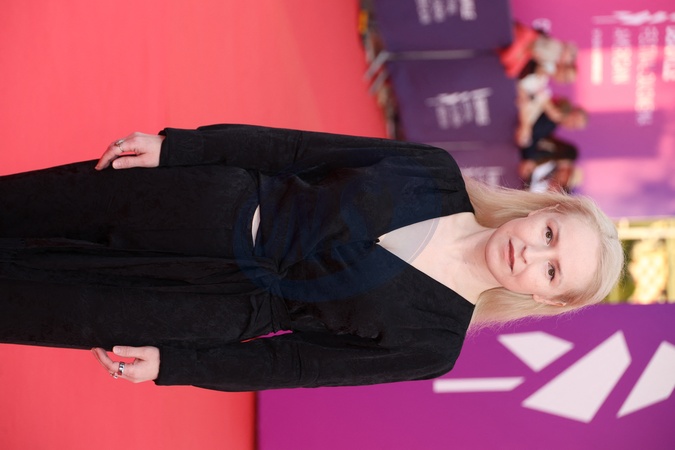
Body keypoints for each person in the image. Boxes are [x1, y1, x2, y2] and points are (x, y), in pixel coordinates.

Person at [0, 124, 623, 391]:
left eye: (551, 270)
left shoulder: (434, 347)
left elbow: (292, 363)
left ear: (542, 297)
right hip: (199, 201)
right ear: (539, 210)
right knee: (27, 207)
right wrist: (182, 149)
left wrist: (176, 366)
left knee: (32, 304)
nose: (531, 253)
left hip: (200, 308)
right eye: (549, 234)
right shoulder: (434, 171)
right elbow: (295, 150)